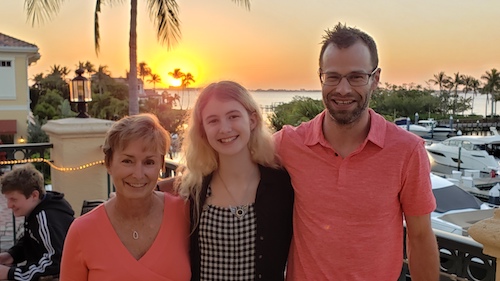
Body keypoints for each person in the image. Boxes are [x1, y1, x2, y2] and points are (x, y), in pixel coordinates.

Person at [273, 23, 440, 280]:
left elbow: (419, 237)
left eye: (356, 77)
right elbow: (234, 155)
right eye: (333, 76)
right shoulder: (290, 143)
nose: (343, 89)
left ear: (375, 79)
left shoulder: (407, 150)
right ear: (321, 76)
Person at [166, 81, 293, 280]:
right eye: (213, 120)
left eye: (233, 116)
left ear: (252, 121)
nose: (224, 128)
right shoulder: (194, 189)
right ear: (203, 131)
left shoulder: (281, 186)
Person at [60, 113, 191, 281]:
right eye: (127, 161)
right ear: (108, 163)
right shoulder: (82, 231)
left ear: (161, 165)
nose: (138, 174)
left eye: (149, 162)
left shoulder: (185, 214)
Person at [0, 163, 74, 281]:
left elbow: (56, 262)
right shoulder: (37, 210)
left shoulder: (47, 218)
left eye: (13, 199)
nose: (9, 205)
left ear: (34, 195)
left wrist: (10, 273)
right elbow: (32, 241)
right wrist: (10, 256)